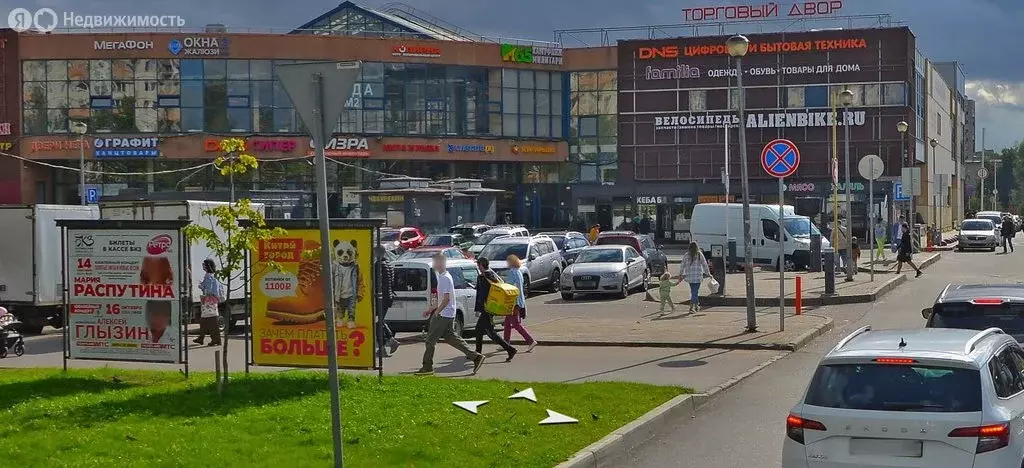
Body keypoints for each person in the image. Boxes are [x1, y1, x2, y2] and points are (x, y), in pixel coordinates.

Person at [416, 254, 485, 376]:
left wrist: (437, 312)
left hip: (444, 314)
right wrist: (431, 309)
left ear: (441, 264)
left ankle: (427, 367)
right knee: (450, 337)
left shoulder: (445, 278)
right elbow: (441, 297)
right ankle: (475, 357)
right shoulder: (442, 276)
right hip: (447, 313)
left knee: (430, 340)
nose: (434, 265)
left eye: (435, 263)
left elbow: (446, 299)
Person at [472, 257, 517, 361]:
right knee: (481, 330)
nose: (478, 267)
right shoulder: (492, 275)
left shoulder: (482, 277)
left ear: (481, 265)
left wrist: (478, 308)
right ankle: (478, 353)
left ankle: (510, 349)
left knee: (488, 332)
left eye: (478, 265)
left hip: (486, 308)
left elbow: (481, 295)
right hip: (492, 307)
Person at [503, 255, 538, 352]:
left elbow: (508, 286)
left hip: (513, 301)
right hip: (519, 300)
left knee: (515, 323)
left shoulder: (511, 272)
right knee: (507, 323)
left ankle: (530, 340)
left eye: (508, 261)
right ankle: (506, 343)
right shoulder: (519, 272)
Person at [374, 245, 400, 356]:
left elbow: (376, 282)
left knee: (378, 322)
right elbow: (391, 282)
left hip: (381, 297)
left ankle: (387, 343)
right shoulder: (389, 264)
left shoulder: (378, 265)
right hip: (388, 296)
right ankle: (386, 344)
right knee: (380, 321)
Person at [193, 259, 222, 346]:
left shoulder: (208, 276)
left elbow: (208, 290)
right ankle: (202, 338)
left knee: (210, 319)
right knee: (205, 319)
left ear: (207, 266)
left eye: (203, 264)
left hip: (209, 301)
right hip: (211, 301)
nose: (202, 266)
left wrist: (202, 286)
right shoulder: (211, 275)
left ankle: (215, 339)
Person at [676, 241, 710, 312]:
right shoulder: (699, 254)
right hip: (698, 277)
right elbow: (704, 264)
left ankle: (696, 305)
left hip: (690, 277)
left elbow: (682, 265)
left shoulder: (686, 255)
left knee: (694, 291)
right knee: (695, 291)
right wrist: (708, 273)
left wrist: (680, 274)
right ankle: (692, 307)